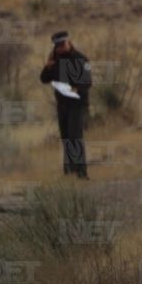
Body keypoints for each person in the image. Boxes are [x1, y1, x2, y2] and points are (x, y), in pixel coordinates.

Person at [39, 31, 93, 179]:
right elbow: (44, 79)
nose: (60, 48)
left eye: (62, 45)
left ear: (68, 43)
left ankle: (82, 173)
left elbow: (87, 83)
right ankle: (69, 171)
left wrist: (76, 88)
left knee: (75, 137)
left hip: (77, 104)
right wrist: (48, 67)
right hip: (62, 105)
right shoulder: (55, 60)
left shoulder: (80, 59)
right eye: (57, 46)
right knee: (66, 138)